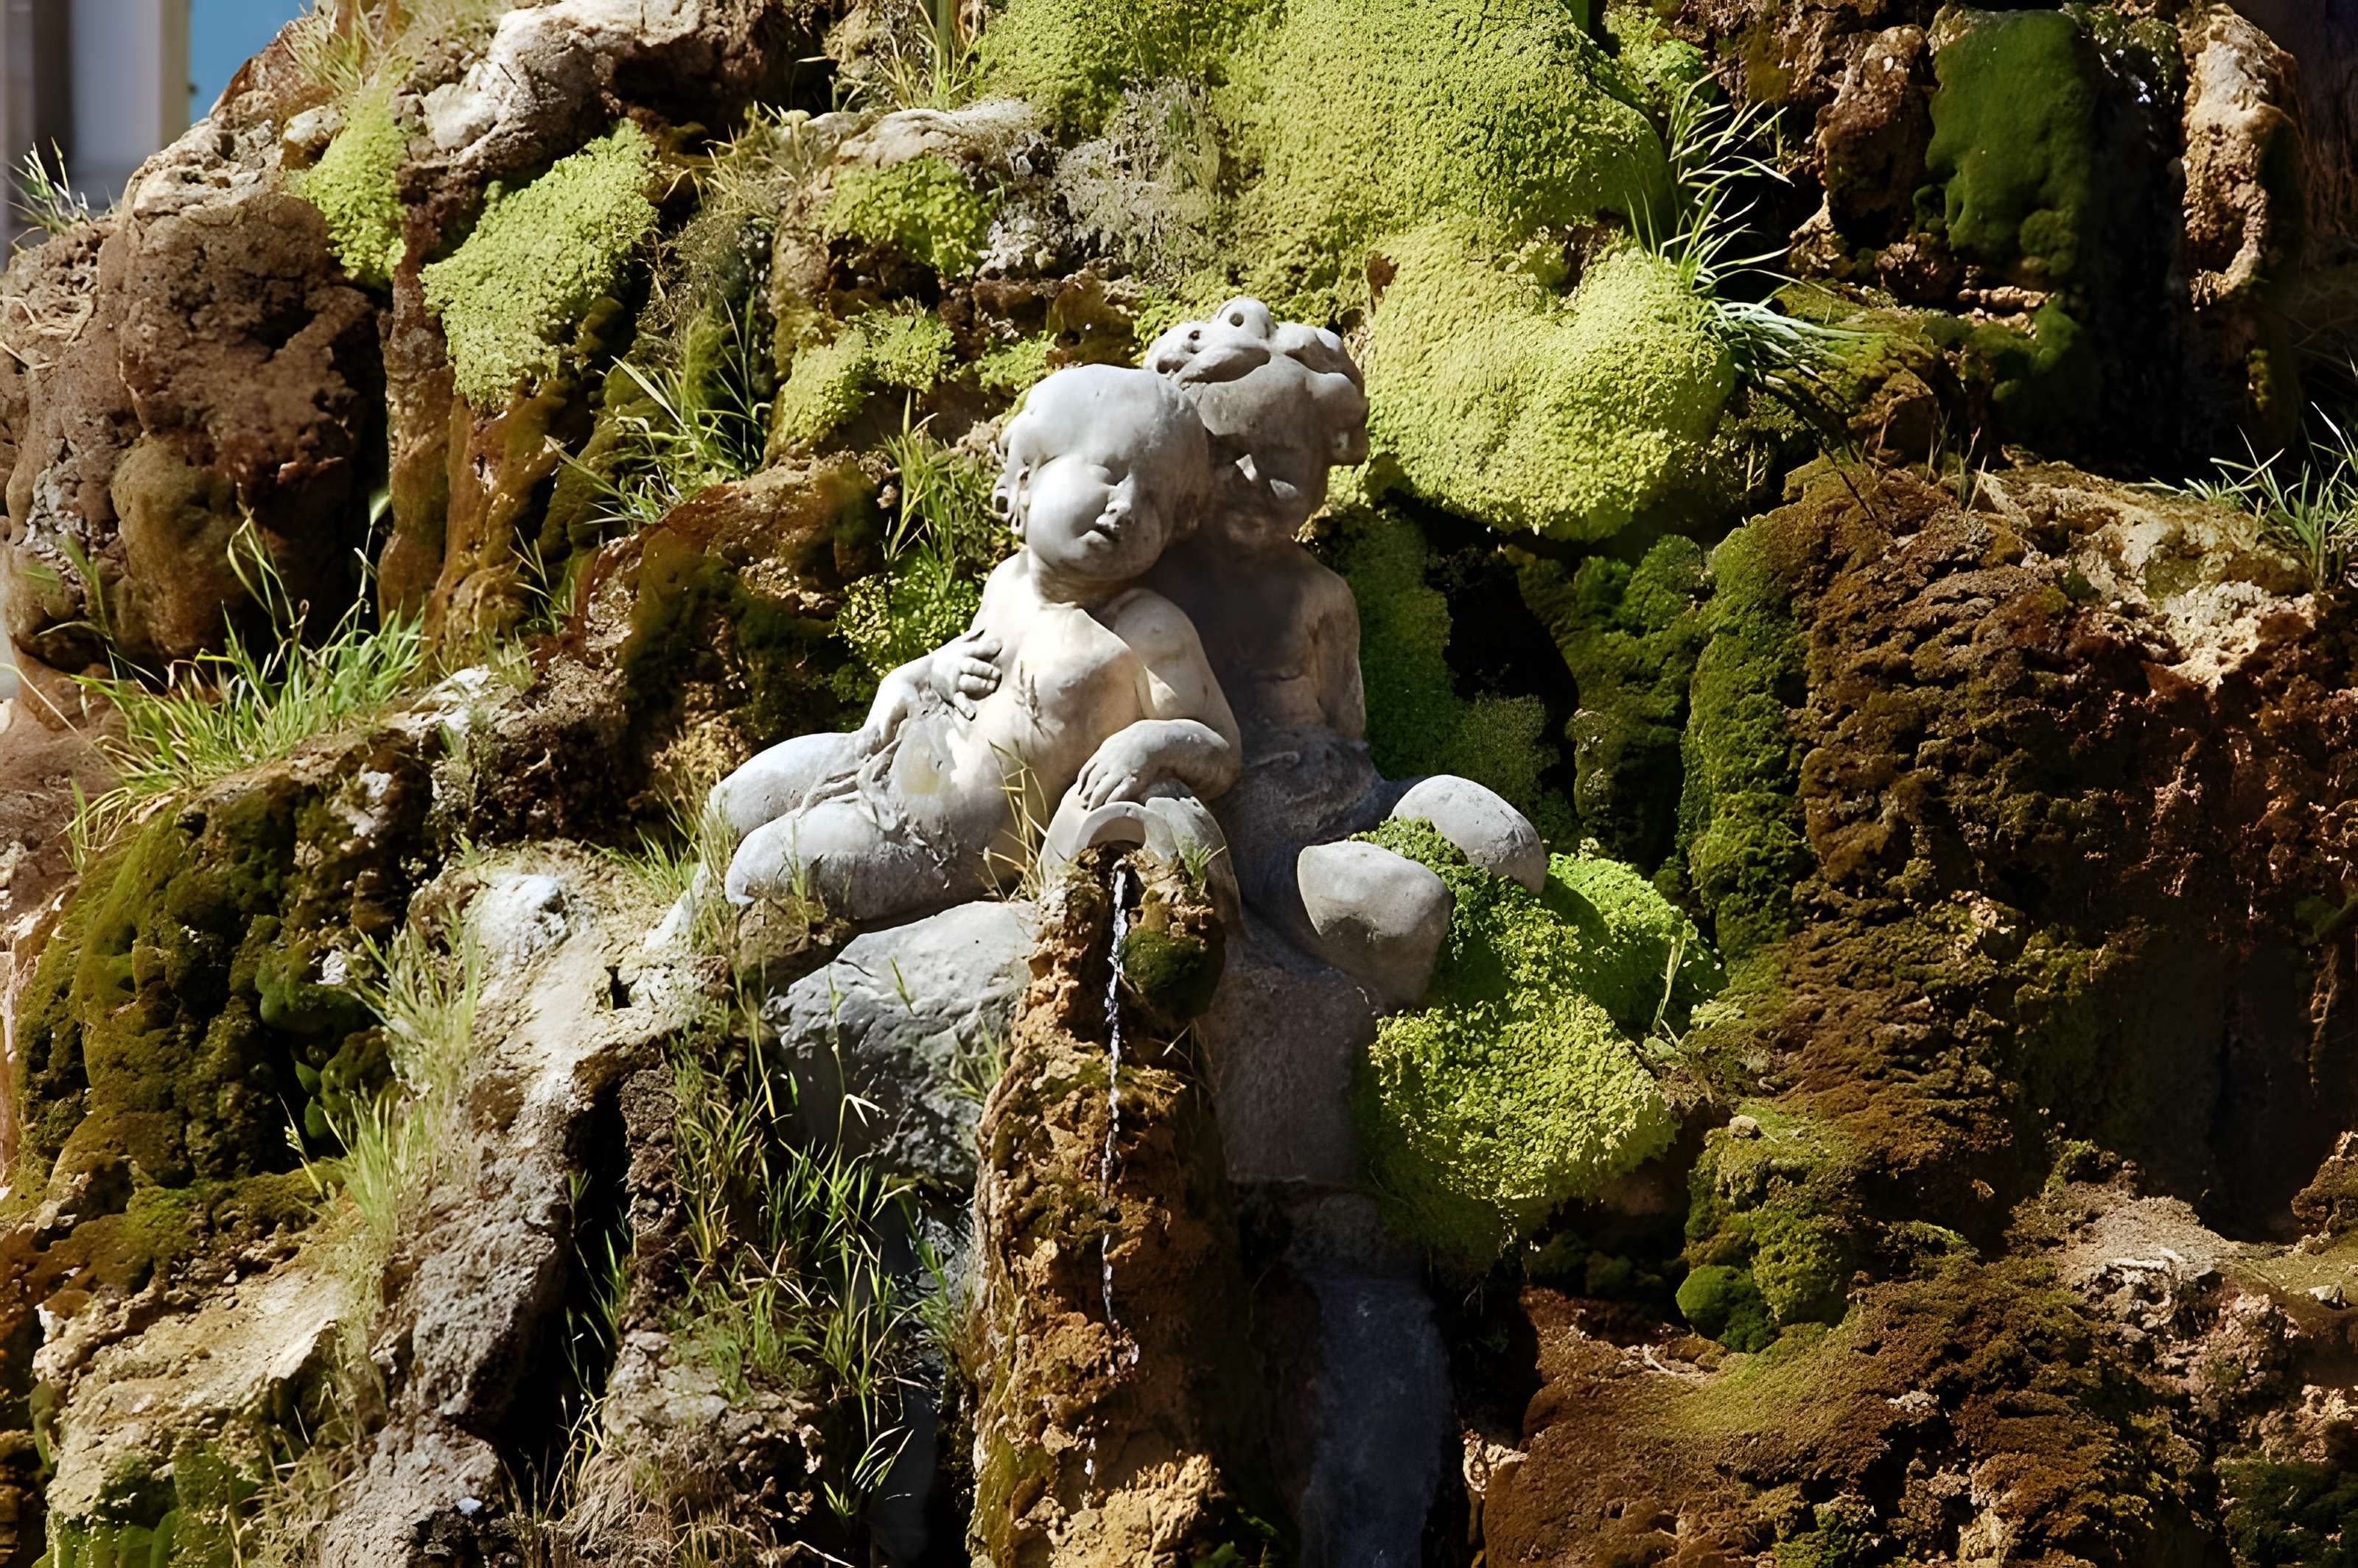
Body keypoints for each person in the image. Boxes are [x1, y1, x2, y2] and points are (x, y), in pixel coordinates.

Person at [709, 365, 1242, 925]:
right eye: (1109, 473)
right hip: (884, 762)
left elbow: (1222, 750)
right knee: (732, 804)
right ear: (1028, 479)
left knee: (761, 866)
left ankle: (724, 938)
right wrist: (924, 672)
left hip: (931, 847)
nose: (1128, 505)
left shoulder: (1147, 630)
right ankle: (688, 928)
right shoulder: (1008, 581)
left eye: (1155, 499)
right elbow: (958, 673)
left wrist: (1150, 743)